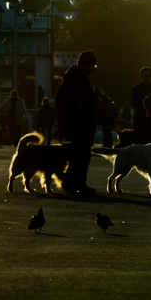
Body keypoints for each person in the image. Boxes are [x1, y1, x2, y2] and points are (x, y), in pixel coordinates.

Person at [54, 50, 98, 194]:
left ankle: (76, 182)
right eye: (93, 65)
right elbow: (81, 103)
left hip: (75, 123)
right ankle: (73, 181)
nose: (93, 69)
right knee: (82, 154)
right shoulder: (79, 78)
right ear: (88, 64)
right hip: (79, 124)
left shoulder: (73, 77)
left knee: (79, 154)